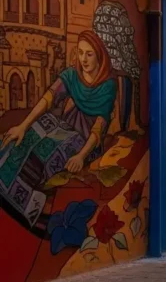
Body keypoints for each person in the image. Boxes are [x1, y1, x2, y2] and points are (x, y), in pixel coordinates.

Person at [0, 31, 119, 228]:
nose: (83, 59)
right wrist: (23, 126)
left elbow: (99, 128)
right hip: (62, 125)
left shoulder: (108, 86)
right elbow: (49, 98)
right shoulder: (73, 74)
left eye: (89, 54)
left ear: (99, 55)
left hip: (85, 141)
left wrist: (81, 156)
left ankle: (28, 204)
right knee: (28, 136)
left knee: (45, 152)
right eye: (80, 52)